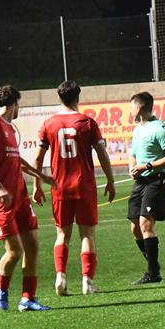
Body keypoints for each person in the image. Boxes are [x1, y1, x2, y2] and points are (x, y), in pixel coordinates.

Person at [32, 80, 116, 296]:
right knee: (87, 234)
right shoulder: (87, 122)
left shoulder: (49, 123)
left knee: (62, 234)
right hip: (84, 185)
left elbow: (38, 158)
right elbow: (102, 153)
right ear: (78, 97)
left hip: (59, 187)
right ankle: (87, 282)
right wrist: (110, 180)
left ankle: (60, 277)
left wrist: (37, 184)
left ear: (59, 98)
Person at [0, 85, 58, 311]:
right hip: (2, 200)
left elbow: (16, 160)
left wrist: (41, 176)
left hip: (20, 197)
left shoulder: (10, 128)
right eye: (18, 105)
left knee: (32, 245)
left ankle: (28, 298)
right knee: (15, 252)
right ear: (14, 104)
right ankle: (1, 288)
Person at [127, 91, 165, 285]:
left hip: (158, 180)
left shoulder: (160, 129)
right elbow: (133, 154)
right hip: (141, 181)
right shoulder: (138, 130)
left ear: (139, 107)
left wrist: (147, 166)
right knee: (135, 226)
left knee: (145, 223)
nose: (130, 110)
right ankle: (153, 265)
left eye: (131, 106)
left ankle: (152, 273)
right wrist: (133, 168)